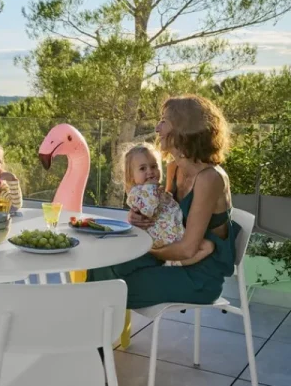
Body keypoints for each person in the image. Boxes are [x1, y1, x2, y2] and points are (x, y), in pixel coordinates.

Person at [87, 94, 240, 309]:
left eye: (164, 121)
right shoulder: (174, 167)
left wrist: (143, 249)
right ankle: (94, 336)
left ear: (183, 128)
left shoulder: (210, 178)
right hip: (170, 255)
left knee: (112, 287)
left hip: (198, 276)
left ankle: (93, 336)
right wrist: (137, 216)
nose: (157, 128)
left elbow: (187, 249)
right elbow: (163, 214)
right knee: (101, 264)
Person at [123, 143, 215, 266]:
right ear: (132, 176)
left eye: (154, 166)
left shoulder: (157, 190)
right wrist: (150, 188)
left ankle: (174, 263)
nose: (150, 172)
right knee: (207, 247)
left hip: (174, 231)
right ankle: (174, 263)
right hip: (163, 236)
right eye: (142, 169)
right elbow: (148, 210)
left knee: (208, 246)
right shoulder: (137, 193)